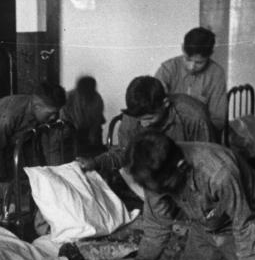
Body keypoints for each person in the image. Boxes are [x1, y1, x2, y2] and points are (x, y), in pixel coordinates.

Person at [128, 129, 255, 260]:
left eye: (165, 187)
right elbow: (156, 226)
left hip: (243, 219)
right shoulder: (152, 172)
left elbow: (245, 225)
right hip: (203, 223)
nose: (158, 193)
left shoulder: (219, 174)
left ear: (181, 167)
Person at [80, 75, 215, 176]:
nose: (144, 125)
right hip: (151, 177)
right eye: (139, 119)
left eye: (149, 118)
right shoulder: (132, 116)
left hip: (188, 175)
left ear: (165, 104)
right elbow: (125, 154)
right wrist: (96, 162)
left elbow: (207, 162)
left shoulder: (194, 116)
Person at [0, 80, 68, 181]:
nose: (55, 117)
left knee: (23, 173)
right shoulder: (12, 115)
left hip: (13, 136)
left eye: (57, 113)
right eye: (51, 113)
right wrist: (1, 178)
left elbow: (39, 148)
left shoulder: (41, 114)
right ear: (37, 107)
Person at [155, 26, 228, 132]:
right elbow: (153, 107)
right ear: (182, 48)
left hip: (203, 133)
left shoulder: (216, 74)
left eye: (199, 62)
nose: (191, 66)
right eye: (188, 59)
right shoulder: (168, 69)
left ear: (210, 55)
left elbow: (218, 120)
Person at [61, 75, 105, 156]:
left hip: (90, 129)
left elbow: (97, 119)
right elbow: (63, 116)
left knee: (96, 140)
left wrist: (92, 134)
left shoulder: (97, 98)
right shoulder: (69, 96)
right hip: (71, 128)